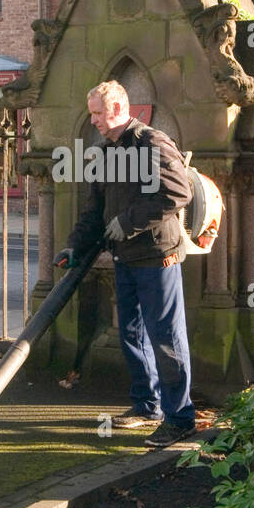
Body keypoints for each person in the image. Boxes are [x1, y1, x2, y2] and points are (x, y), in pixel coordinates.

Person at [54, 81, 197, 448]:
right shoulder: (104, 153)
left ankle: (181, 420)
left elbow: (179, 192)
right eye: (91, 113)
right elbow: (94, 212)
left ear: (118, 107)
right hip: (126, 257)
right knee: (130, 333)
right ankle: (147, 407)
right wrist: (74, 246)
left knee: (166, 337)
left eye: (98, 113)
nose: (94, 120)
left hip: (156, 255)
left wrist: (128, 221)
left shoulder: (152, 142)